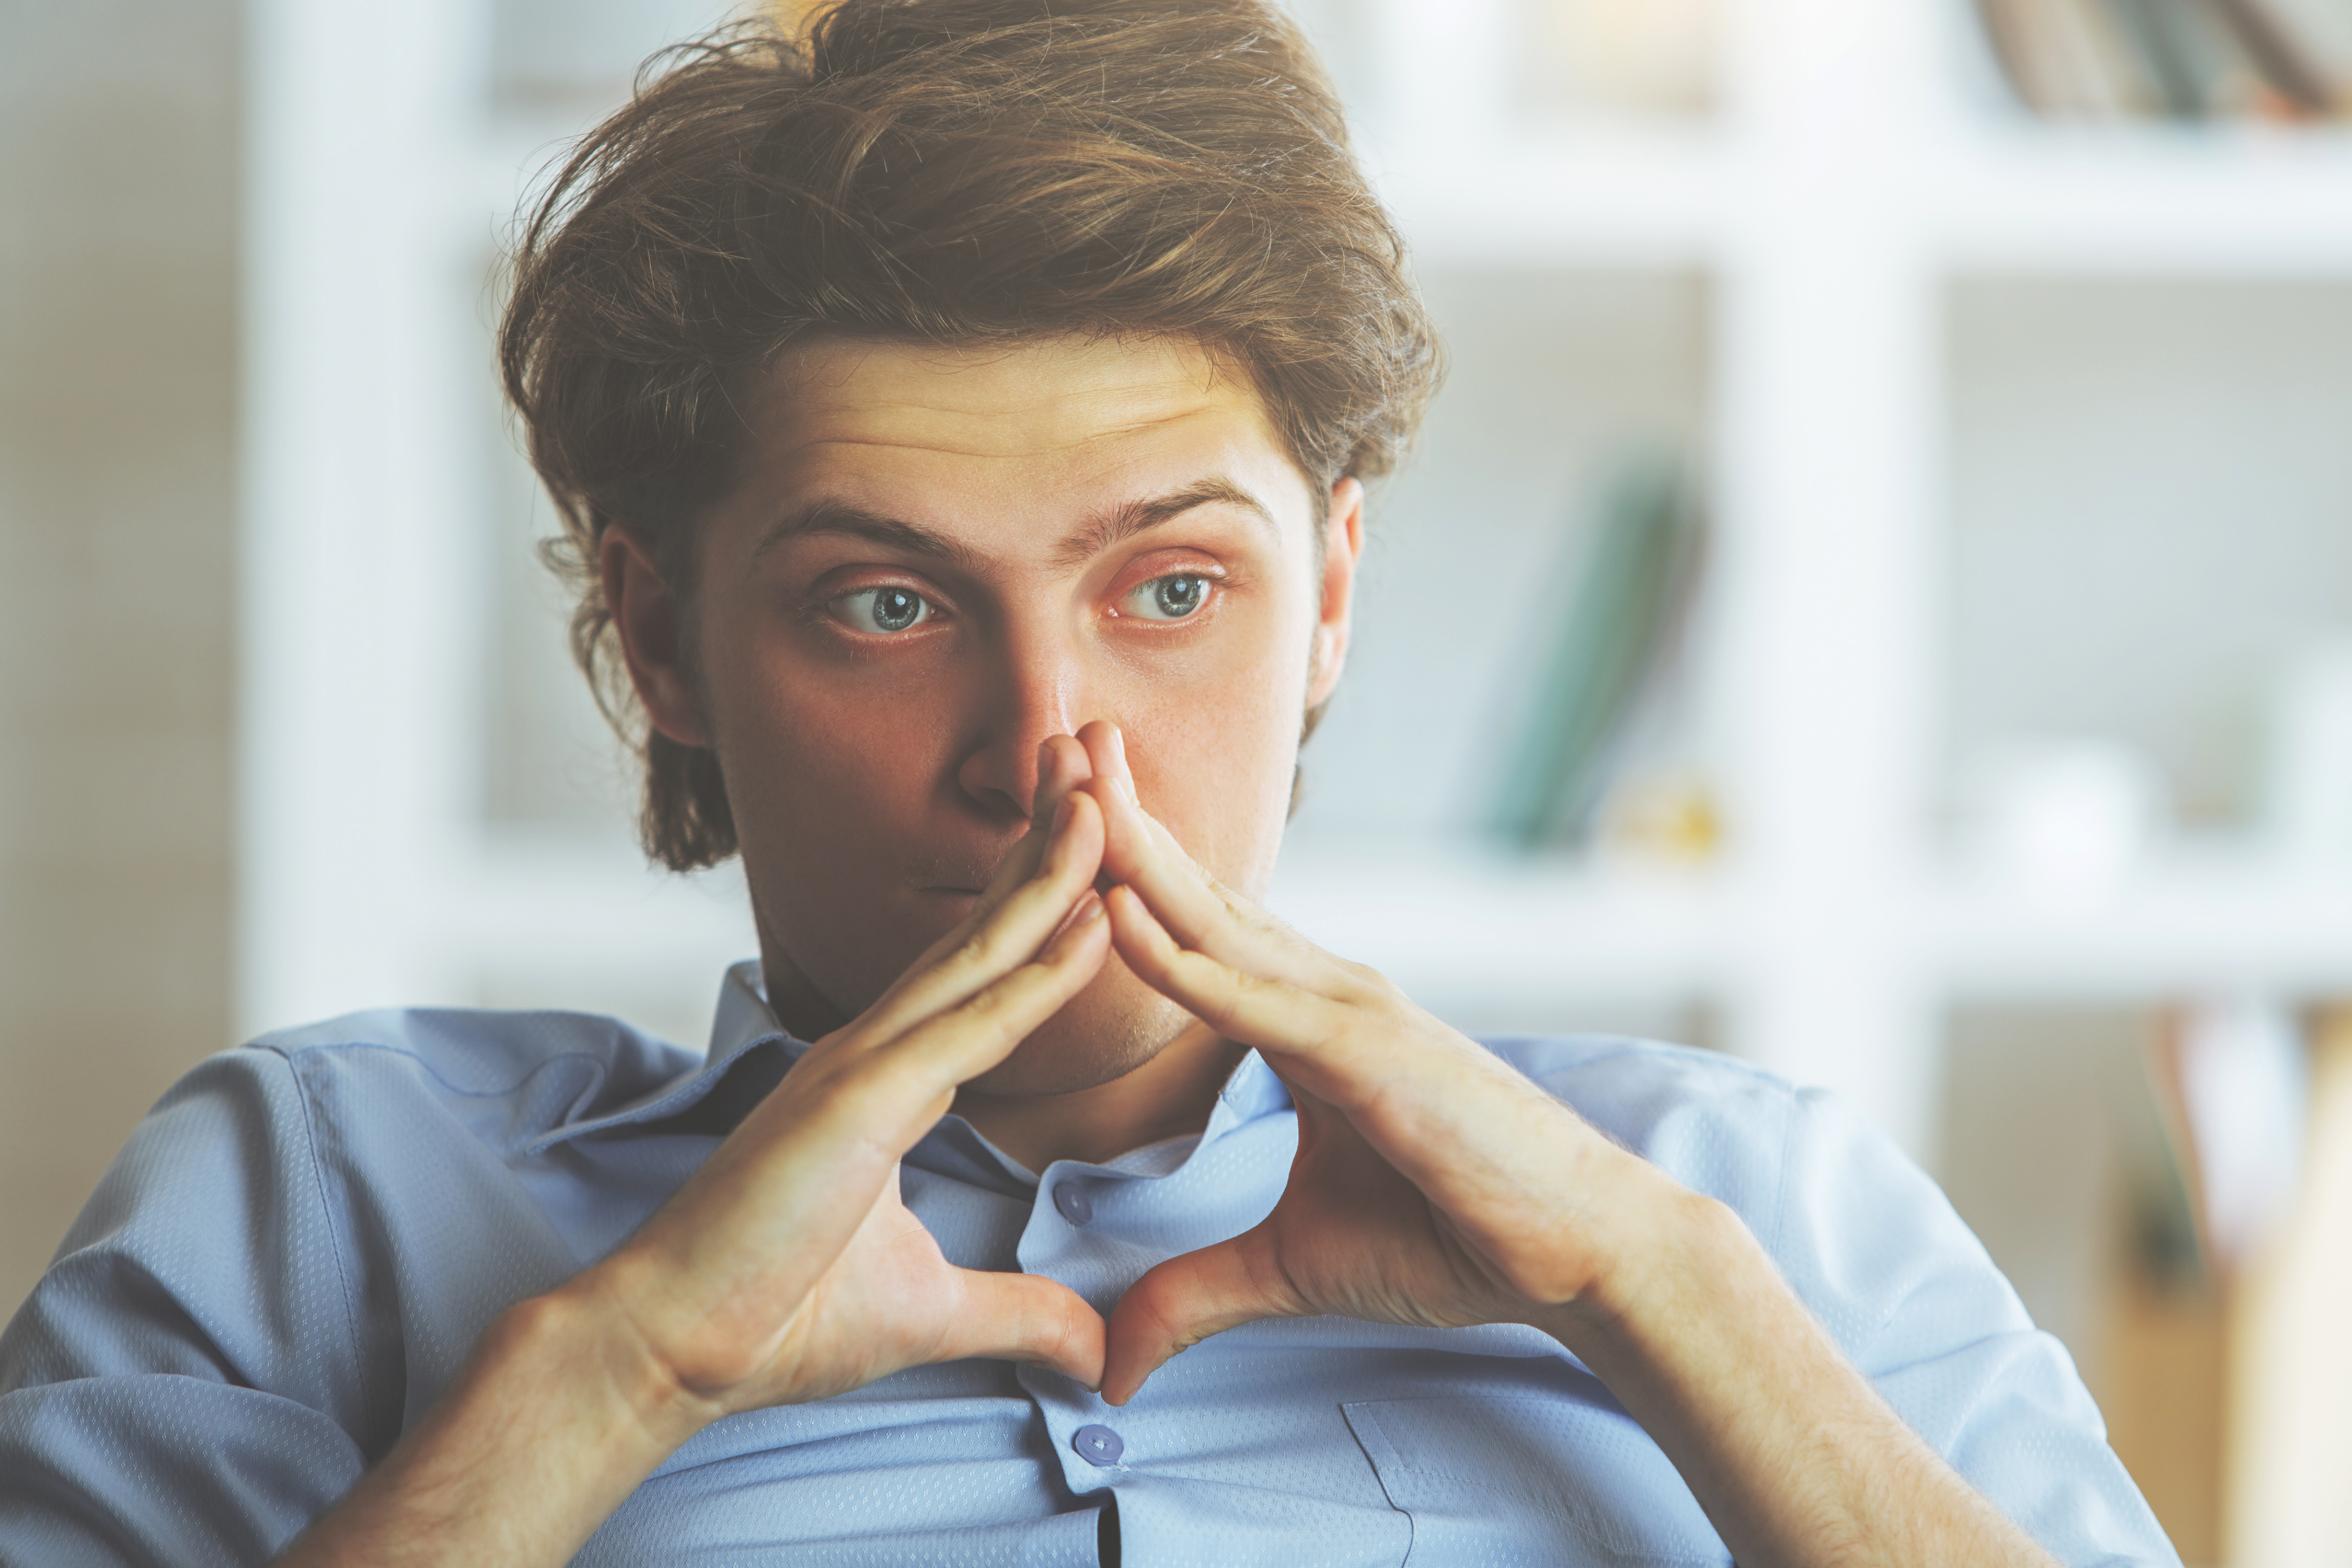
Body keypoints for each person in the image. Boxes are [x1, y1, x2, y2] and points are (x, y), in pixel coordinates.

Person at [0, 2, 2177, 1564]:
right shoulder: (321, 1204)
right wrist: (622, 1372)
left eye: (1168, 592)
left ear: (1328, 597)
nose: (1051, 755)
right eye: (883, 605)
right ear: (665, 640)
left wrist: (1659, 1304)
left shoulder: (1745, 1213)